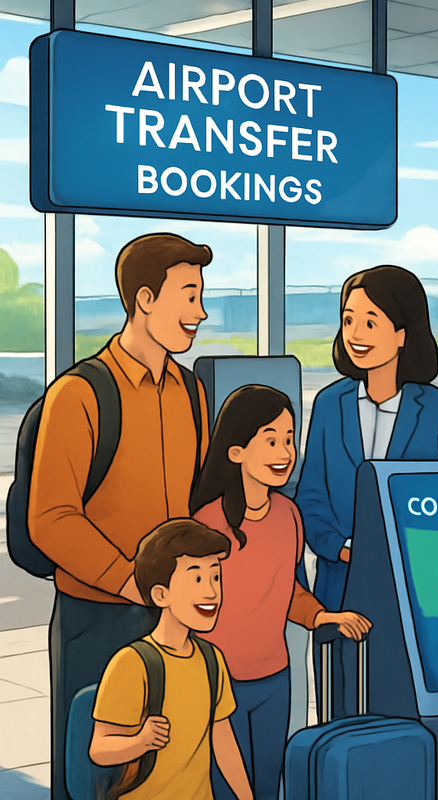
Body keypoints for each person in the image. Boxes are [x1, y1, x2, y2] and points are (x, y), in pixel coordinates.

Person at [30, 232, 212, 800]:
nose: (200, 313)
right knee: (92, 771)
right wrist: (130, 580)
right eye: (188, 296)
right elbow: (51, 517)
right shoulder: (80, 395)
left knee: (169, 765)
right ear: (144, 300)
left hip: (170, 619)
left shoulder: (191, 393)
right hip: (98, 617)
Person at [295, 265, 438, 716]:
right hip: (340, 584)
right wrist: (341, 547)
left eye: (370, 322)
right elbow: (311, 494)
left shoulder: (437, 409)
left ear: (402, 333)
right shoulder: (329, 404)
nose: (356, 333)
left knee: (404, 704)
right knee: (341, 702)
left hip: (415, 587)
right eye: (349, 319)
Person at [191, 386, 372, 800]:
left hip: (274, 677)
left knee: (270, 782)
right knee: (226, 788)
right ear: (235, 451)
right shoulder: (208, 523)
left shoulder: (289, 515)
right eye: (270, 440)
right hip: (220, 681)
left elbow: (287, 589)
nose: (284, 452)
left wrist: (324, 616)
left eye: (289, 439)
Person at [90, 518, 253, 800]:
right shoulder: (133, 663)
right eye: (197, 579)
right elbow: (99, 749)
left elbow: (223, 740)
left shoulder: (211, 659)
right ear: (161, 594)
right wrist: (140, 742)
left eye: (216, 577)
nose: (211, 592)